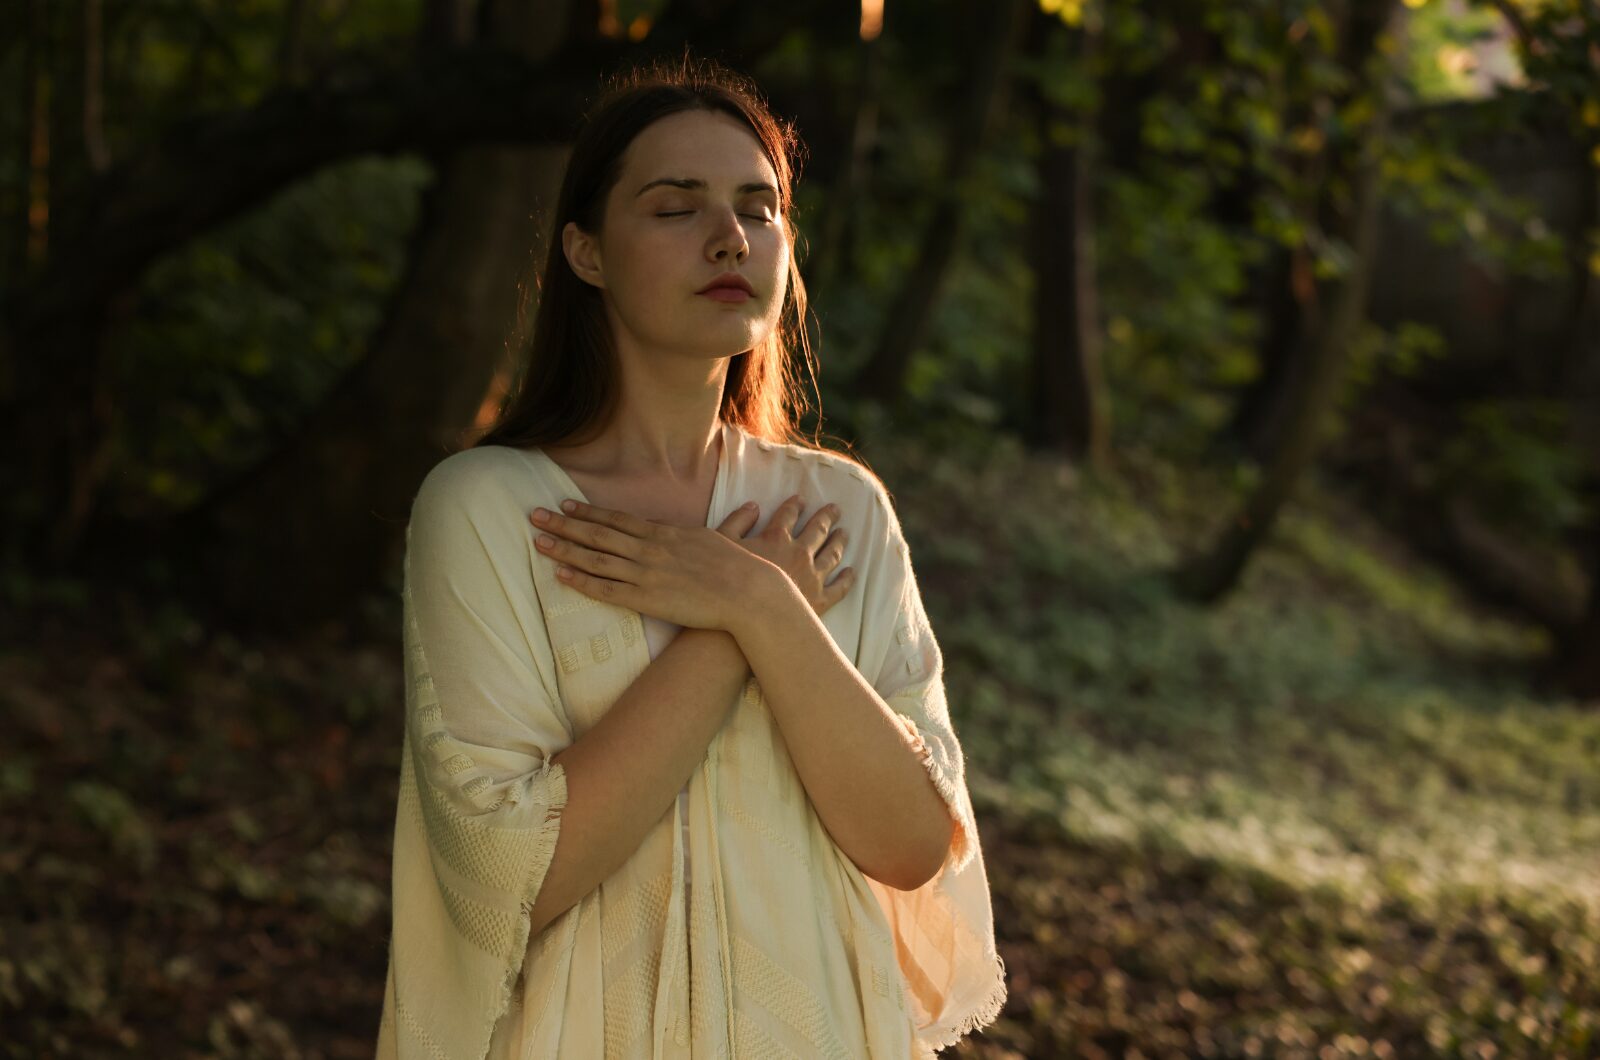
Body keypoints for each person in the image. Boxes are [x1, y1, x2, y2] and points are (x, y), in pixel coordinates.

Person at [375, 53, 1004, 1059]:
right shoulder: (491, 508)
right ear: (585, 252)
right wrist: (732, 626)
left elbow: (910, 844)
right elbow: (508, 879)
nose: (730, 237)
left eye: (760, 210)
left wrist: (763, 604)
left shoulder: (837, 508)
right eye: (675, 209)